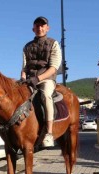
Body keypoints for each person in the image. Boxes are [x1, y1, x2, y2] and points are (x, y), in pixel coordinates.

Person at [21, 16, 62, 147]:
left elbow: (53, 68)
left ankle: (49, 133)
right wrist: (22, 79)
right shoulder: (26, 47)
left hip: (46, 79)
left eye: (42, 25)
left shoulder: (54, 43)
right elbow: (24, 67)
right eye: (37, 26)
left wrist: (38, 78)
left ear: (47, 28)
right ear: (33, 29)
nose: (40, 28)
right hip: (29, 79)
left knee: (45, 96)